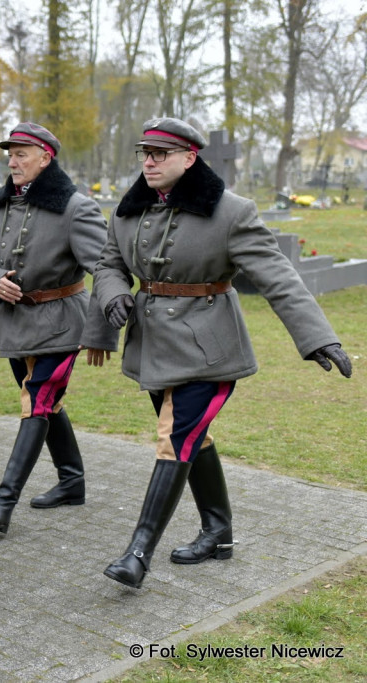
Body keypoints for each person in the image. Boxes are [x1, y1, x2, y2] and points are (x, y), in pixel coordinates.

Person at [94, 117, 353, 589]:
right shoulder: (127, 210)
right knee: (192, 439)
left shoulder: (230, 212)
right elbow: (108, 263)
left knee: (175, 439)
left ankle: (137, 553)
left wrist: (318, 337)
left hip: (209, 350)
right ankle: (219, 531)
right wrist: (113, 293)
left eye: (160, 153)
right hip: (153, 348)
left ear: (190, 157)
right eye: (144, 153)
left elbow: (278, 276)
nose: (148, 161)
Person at [0, 122, 118, 534]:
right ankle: (72, 482)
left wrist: (101, 333)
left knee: (37, 401)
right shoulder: (0, 205)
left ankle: (3, 502)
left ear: (46, 157)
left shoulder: (75, 207)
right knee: (47, 404)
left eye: (22, 153)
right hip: (16, 326)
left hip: (63, 326)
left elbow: (106, 271)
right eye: (10, 154)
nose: (12, 161)